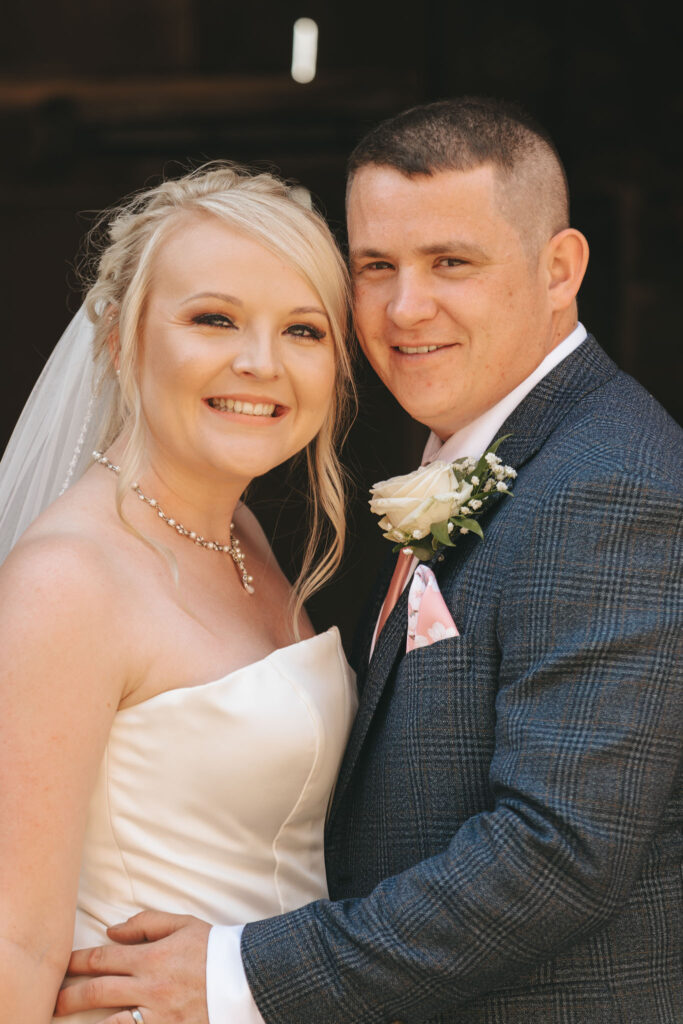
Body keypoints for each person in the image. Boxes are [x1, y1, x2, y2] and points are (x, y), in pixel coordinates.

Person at [56, 98, 682, 1024]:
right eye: (374, 267)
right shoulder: (489, 452)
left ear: (560, 270)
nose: (403, 307)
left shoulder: (609, 482)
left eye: (451, 264)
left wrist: (241, 976)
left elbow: (555, 851)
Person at [0, 163, 360, 1024]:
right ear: (121, 338)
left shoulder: (242, 537)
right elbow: (14, 937)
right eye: (214, 319)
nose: (260, 363)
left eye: (304, 330)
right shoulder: (68, 581)